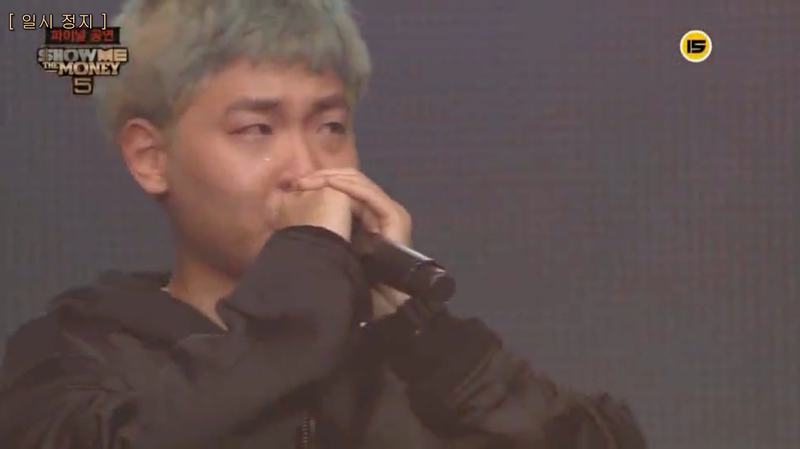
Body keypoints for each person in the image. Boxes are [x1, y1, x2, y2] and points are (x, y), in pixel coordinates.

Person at [0, 0, 648, 447]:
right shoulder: (71, 355)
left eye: (331, 126)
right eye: (257, 129)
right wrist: (306, 270)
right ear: (150, 156)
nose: (308, 169)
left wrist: (425, 336)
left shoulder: (403, 361)